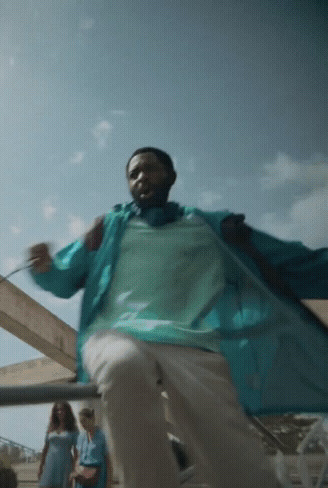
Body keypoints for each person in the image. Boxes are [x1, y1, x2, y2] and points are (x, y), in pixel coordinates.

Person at [28, 147, 328, 488]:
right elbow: (65, 277)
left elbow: (291, 262)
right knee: (124, 366)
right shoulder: (109, 227)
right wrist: (46, 268)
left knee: (232, 453)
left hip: (190, 342)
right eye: (133, 174)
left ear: (170, 176)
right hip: (114, 334)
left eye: (150, 170)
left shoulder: (212, 230)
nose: (141, 178)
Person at [37, 402, 79, 488]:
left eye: (62, 409)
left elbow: (76, 452)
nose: (60, 412)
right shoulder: (51, 427)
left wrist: (74, 470)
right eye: (57, 410)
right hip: (50, 464)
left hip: (65, 464)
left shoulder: (73, 429)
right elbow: (45, 448)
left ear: (67, 411)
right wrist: (40, 467)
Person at [70, 408, 111, 488]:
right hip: (82, 479)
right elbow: (78, 459)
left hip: (97, 478)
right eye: (81, 422)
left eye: (84, 421)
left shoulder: (101, 436)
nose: (83, 424)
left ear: (92, 418)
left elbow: (108, 462)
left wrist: (109, 483)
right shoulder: (81, 437)